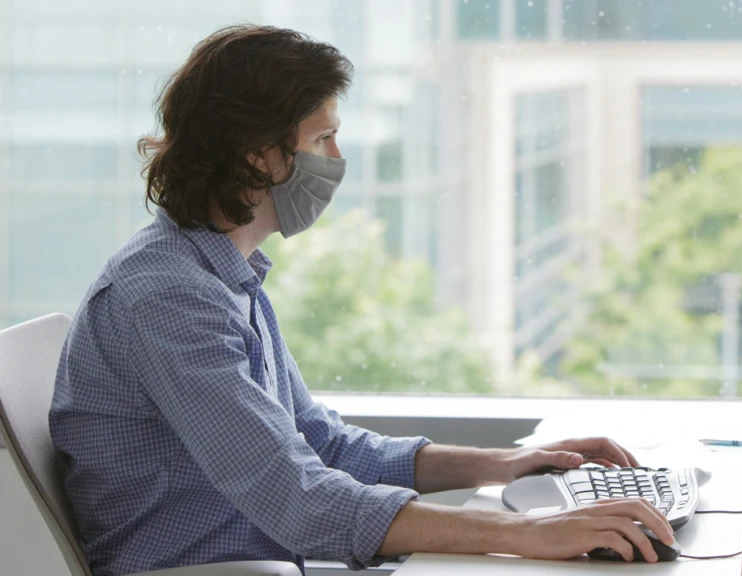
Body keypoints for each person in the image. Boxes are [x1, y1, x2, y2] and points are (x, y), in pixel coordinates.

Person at [49, 25, 673, 575]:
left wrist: (510, 465)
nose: (337, 160)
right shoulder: (168, 296)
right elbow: (296, 499)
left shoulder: (220, 276)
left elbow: (323, 444)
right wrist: (531, 533)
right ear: (259, 153)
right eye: (322, 138)